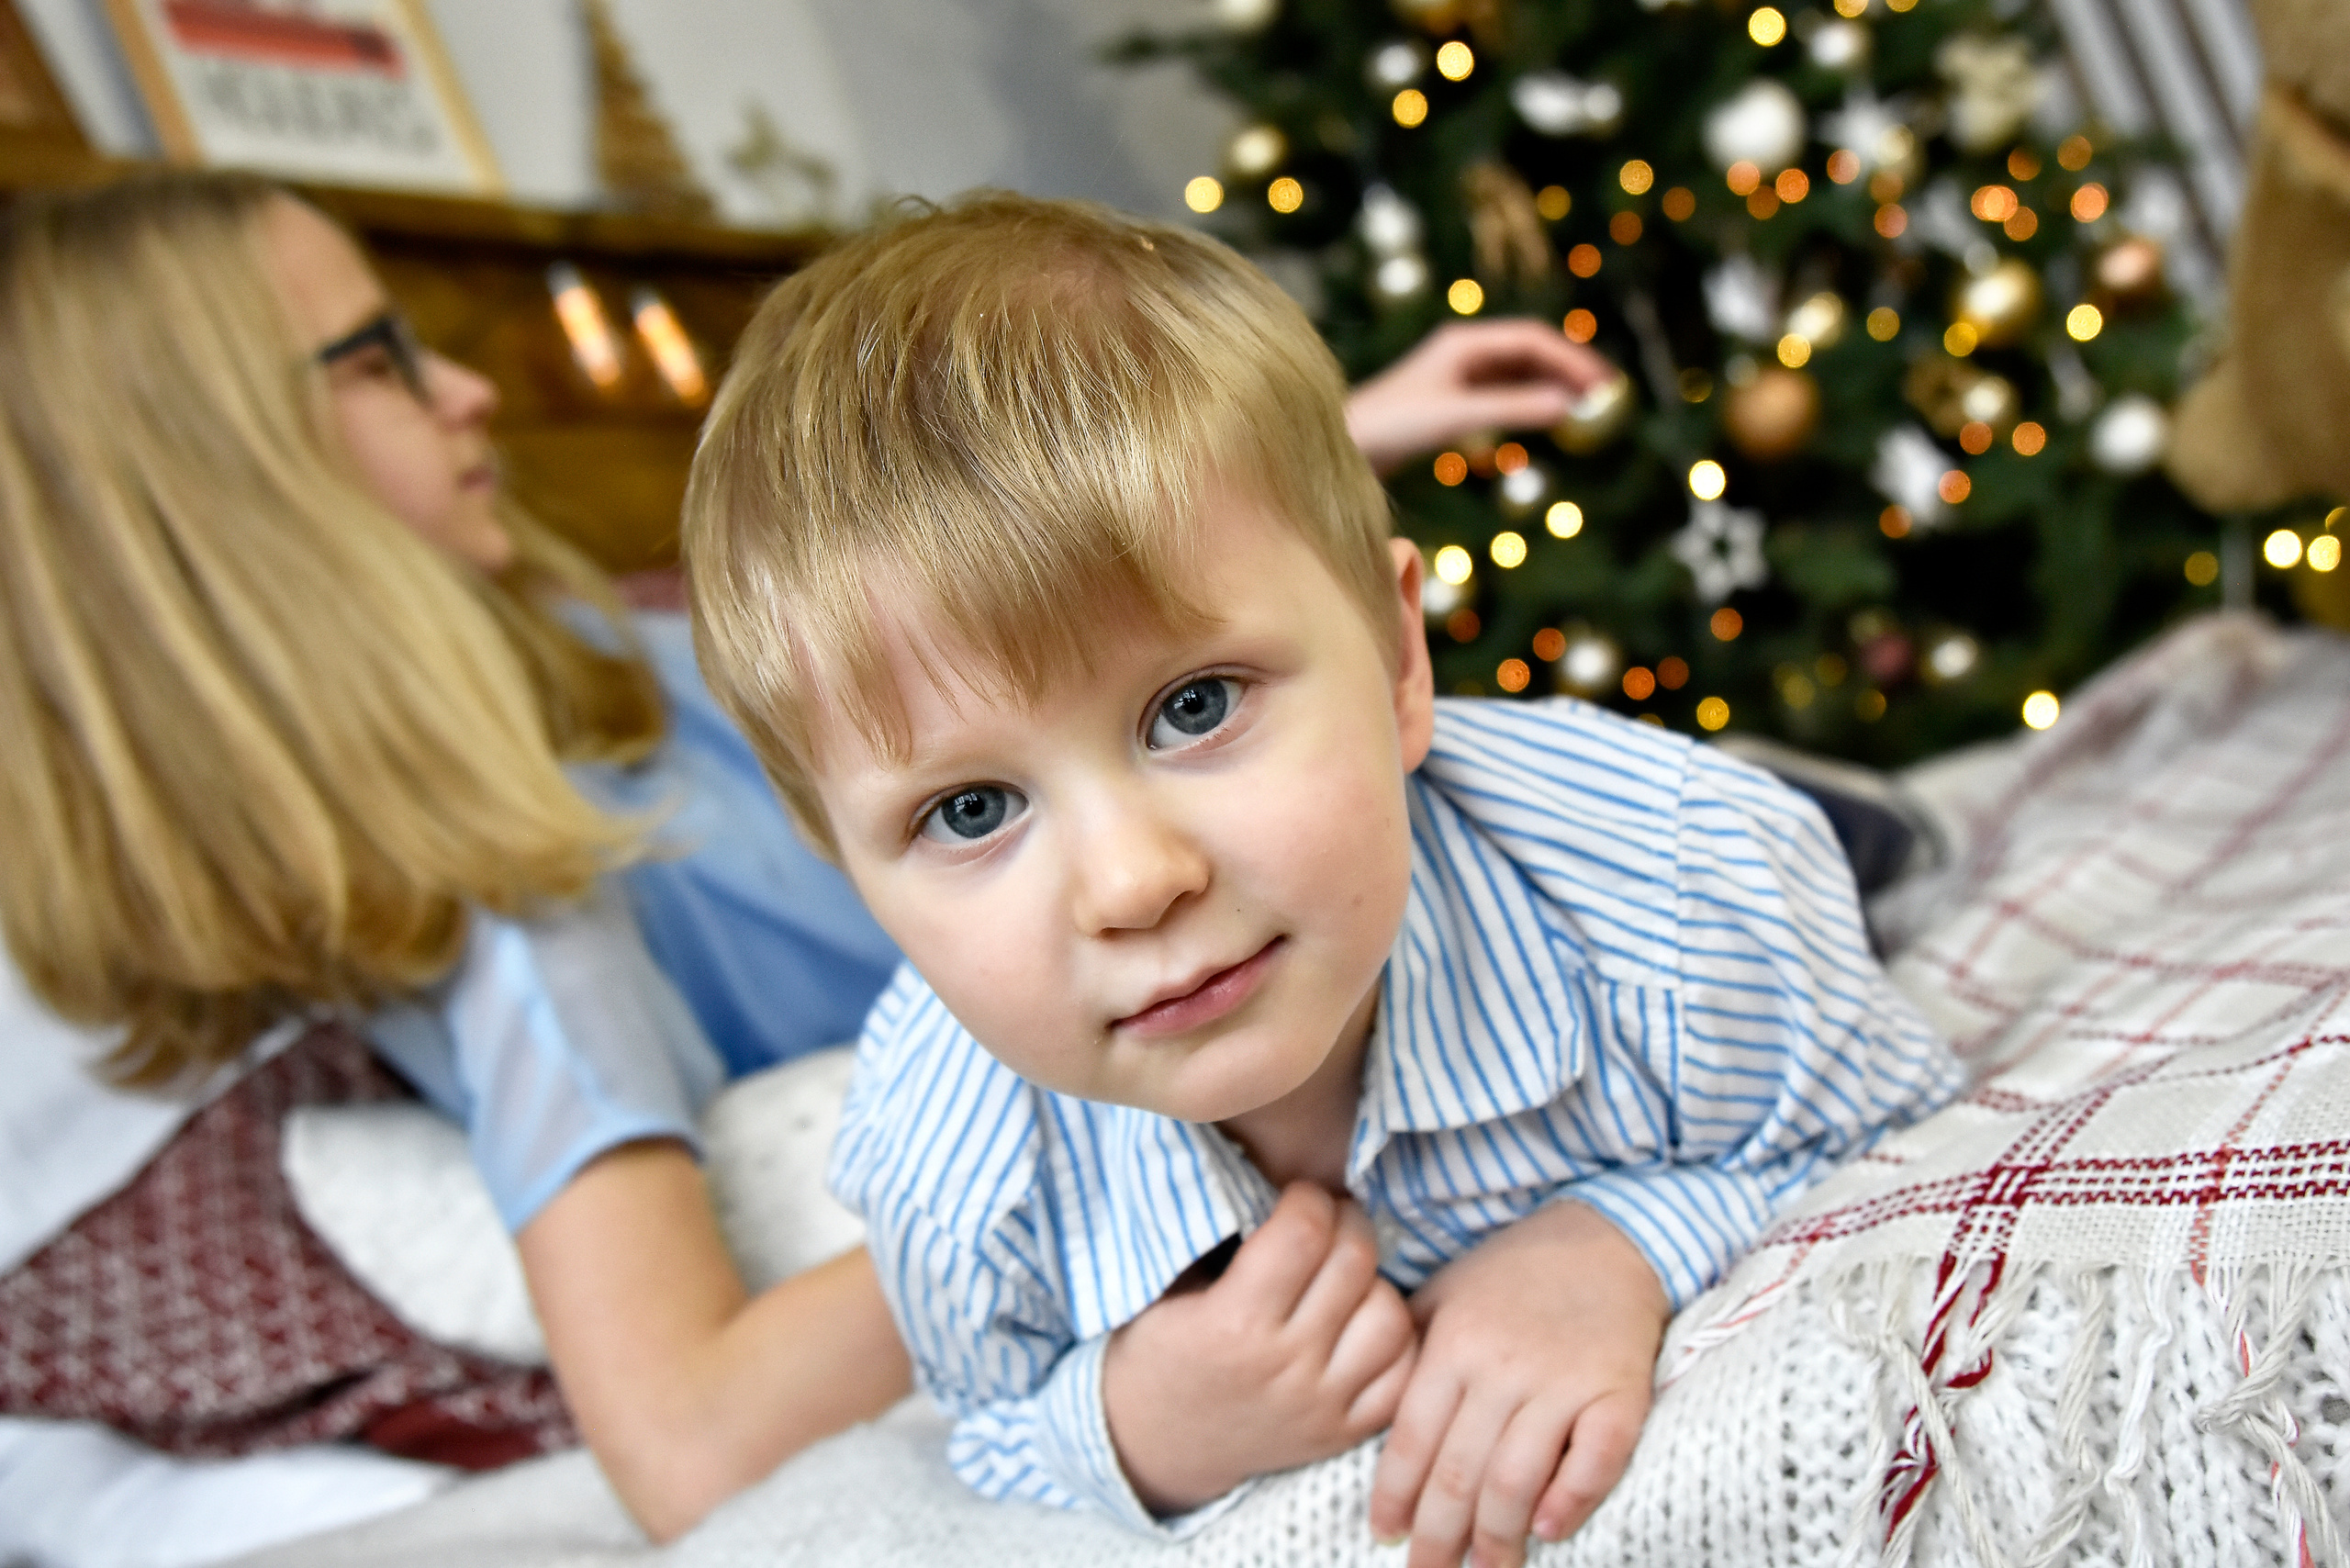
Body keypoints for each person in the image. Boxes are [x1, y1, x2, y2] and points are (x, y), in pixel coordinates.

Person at [0, 172, 1607, 1549]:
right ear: (210, 488)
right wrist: (1168, 1198)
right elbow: (686, 1436)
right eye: (376, 363)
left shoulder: (590, 649)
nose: (468, 389)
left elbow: (979, 616)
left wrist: (1347, 423)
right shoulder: (509, 901)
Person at [683, 193, 1965, 1568]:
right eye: (971, 808)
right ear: (856, 879)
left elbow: (1888, 1114)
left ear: (1400, 658)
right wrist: (1136, 1424)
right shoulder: (941, 1165)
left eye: (1193, 706)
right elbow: (991, 1420)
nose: (1131, 884)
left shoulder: (1676, 879)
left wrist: (1617, 1240)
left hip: (1652, 804)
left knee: (1857, 849)